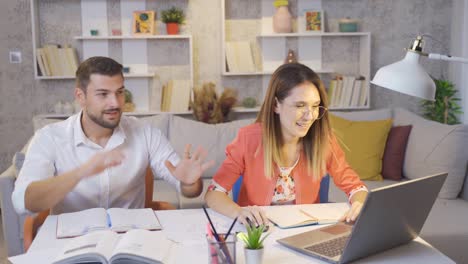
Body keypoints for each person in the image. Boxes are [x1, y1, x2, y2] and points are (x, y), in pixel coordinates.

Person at [12, 56, 214, 215]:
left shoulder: (146, 133)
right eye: (103, 94)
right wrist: (81, 172)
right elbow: (23, 202)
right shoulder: (49, 137)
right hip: (73, 244)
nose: (115, 103)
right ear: (80, 97)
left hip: (131, 242)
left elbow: (190, 190)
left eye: (119, 92)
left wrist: (189, 183)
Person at [205, 63, 368, 227]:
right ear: (276, 105)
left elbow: (356, 187)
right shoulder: (248, 139)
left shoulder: (323, 140)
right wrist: (238, 212)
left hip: (305, 232)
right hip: (258, 232)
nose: (309, 116)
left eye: (315, 106)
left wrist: (359, 205)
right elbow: (214, 194)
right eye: (300, 105)